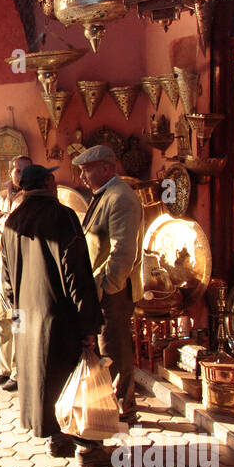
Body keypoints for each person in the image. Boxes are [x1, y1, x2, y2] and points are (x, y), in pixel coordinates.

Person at [0, 164, 104, 458]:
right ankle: (87, 446)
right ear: (47, 182)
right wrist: (89, 326)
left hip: (27, 319)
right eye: (53, 178)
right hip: (61, 320)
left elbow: (7, 281)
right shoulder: (63, 216)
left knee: (42, 379)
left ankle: (56, 440)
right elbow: (77, 275)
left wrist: (16, 318)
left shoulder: (12, 222)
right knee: (72, 378)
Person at [71, 145, 144, 442]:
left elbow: (123, 251)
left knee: (114, 349)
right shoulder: (107, 194)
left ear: (106, 168)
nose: (82, 175)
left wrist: (105, 288)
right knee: (108, 348)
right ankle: (114, 407)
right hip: (102, 288)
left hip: (113, 290)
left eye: (87, 169)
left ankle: (122, 412)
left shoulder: (121, 197)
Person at [0, 155, 32, 392]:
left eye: (21, 170)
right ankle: (5, 370)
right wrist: (4, 222)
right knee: (1, 318)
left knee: (18, 320)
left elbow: (17, 224)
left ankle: (20, 372)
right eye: (15, 170)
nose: (16, 173)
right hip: (2, 266)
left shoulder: (31, 199)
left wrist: (0, 222)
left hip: (21, 269)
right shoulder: (2, 197)